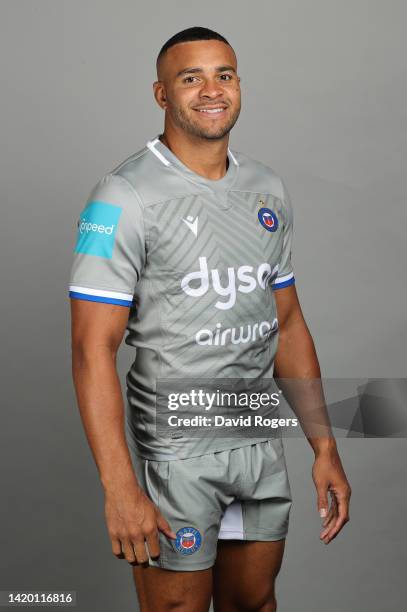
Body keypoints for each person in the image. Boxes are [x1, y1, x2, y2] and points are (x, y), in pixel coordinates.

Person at [69, 26, 351, 612]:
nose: (211, 89)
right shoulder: (123, 196)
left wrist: (324, 448)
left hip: (255, 445)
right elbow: (91, 349)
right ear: (161, 94)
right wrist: (120, 488)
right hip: (175, 456)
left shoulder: (266, 190)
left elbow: (289, 324)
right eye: (190, 77)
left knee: (255, 603)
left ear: (239, 85)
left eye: (223, 74)